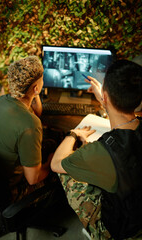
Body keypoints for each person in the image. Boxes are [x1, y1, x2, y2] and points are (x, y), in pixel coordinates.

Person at [51, 60, 142, 240]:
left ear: (106, 97)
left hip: (122, 229)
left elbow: (55, 163)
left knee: (66, 173)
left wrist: (74, 134)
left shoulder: (102, 152)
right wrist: (106, 100)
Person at [0, 56, 64, 205]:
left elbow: (35, 113)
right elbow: (33, 179)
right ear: (36, 87)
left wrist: (35, 93)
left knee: (51, 143)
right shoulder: (30, 126)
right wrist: (52, 162)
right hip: (11, 191)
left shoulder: (3, 100)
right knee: (61, 167)